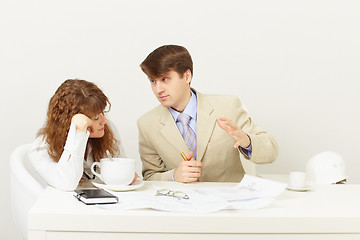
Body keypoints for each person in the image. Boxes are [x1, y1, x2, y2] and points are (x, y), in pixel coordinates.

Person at [137, 45, 279, 183]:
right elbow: (150, 176)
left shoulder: (228, 106)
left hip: (230, 201)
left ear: (187, 76)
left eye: (164, 79)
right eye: (152, 81)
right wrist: (174, 176)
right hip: (182, 202)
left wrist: (247, 141)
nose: (158, 89)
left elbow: (271, 151)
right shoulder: (147, 124)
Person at [29, 79, 136, 191]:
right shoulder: (40, 149)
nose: (104, 120)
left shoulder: (106, 130)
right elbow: (67, 183)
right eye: (96, 118)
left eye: (102, 113)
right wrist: (78, 131)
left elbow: (121, 168)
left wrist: (127, 177)